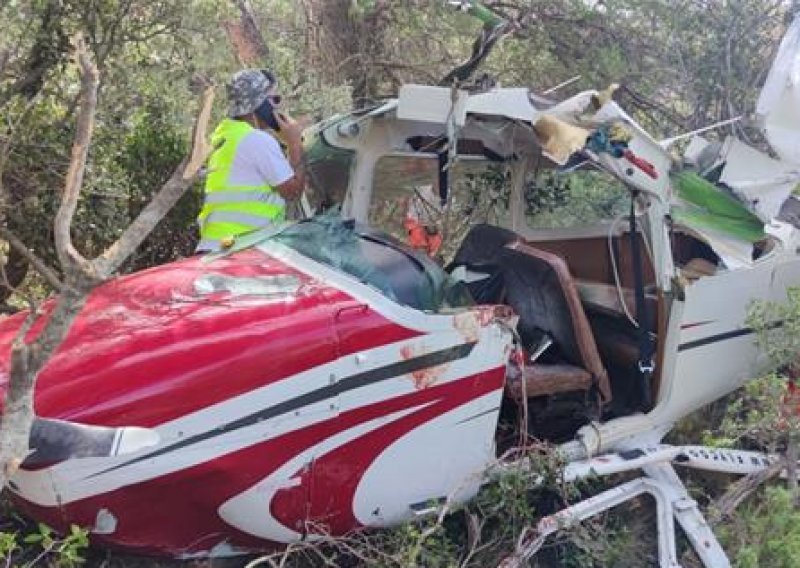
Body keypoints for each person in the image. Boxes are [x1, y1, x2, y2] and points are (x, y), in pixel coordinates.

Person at [197, 69, 305, 252]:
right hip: (241, 247)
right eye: (275, 100)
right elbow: (293, 193)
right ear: (260, 104)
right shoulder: (256, 140)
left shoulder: (225, 134)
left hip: (217, 246)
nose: (278, 108)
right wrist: (295, 143)